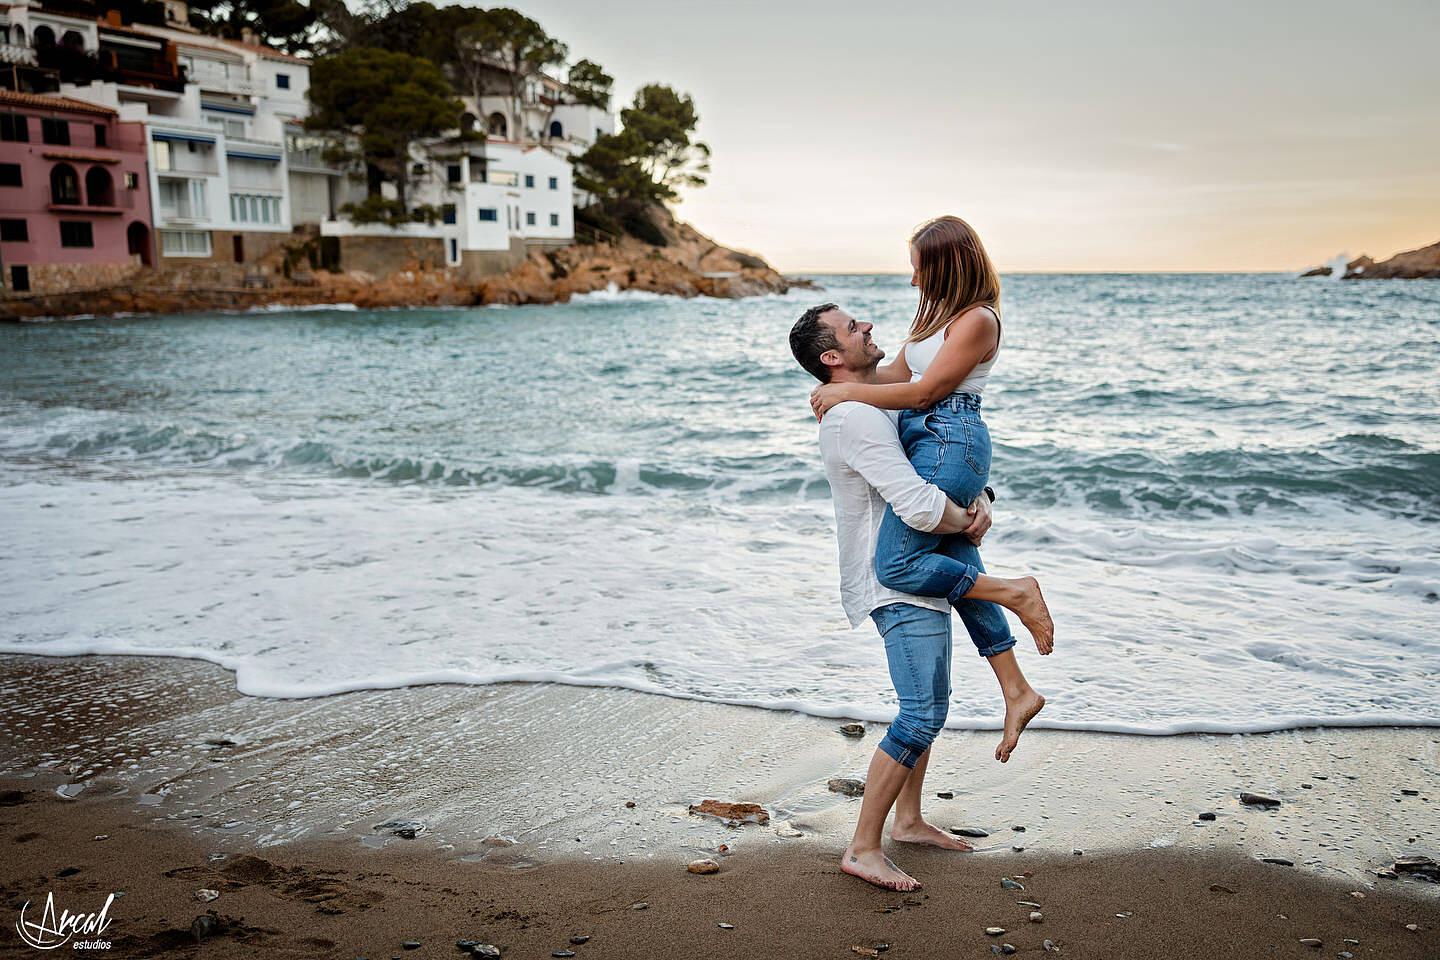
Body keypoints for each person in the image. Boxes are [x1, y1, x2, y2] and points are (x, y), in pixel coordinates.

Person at [789, 302, 1049, 893]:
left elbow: (936, 465)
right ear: (832, 358)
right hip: (895, 580)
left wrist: (977, 498)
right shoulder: (852, 419)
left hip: (920, 570)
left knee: (931, 704)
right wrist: (963, 521)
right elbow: (915, 503)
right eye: (853, 328)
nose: (868, 327)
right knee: (922, 712)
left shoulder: (873, 404)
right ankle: (862, 847)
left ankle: (907, 821)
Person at [809, 216, 1053, 764]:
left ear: (946, 264)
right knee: (955, 558)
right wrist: (837, 390)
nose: (912, 282)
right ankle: (1016, 689)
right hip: (928, 442)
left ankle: (1016, 592)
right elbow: (892, 376)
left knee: (894, 564)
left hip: (950, 436)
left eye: (918, 269)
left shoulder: (977, 321)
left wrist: (845, 393)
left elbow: (924, 394)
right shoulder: (934, 320)